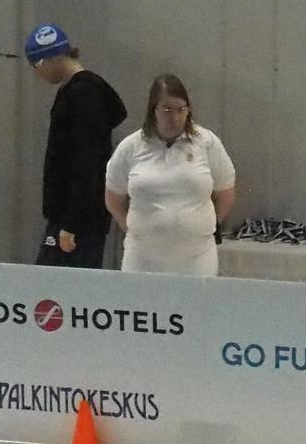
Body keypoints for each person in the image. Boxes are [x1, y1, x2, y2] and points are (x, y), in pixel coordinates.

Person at [105, 76, 235, 277]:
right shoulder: (130, 147)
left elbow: (225, 193)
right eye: (167, 109)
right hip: (142, 258)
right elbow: (114, 199)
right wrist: (135, 229)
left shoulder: (208, 143)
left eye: (181, 109)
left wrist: (202, 227)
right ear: (153, 110)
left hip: (197, 258)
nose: (175, 117)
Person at [25, 22, 127, 269]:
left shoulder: (84, 93)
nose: (38, 74)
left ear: (51, 58)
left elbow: (88, 162)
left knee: (55, 286)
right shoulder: (75, 91)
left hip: (77, 220)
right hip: (70, 215)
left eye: (36, 66)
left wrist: (72, 222)